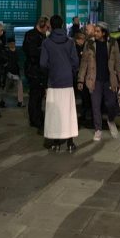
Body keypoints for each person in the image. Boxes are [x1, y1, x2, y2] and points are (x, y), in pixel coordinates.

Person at [77, 22, 120, 141]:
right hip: (94, 80)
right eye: (95, 31)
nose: (95, 33)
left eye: (98, 31)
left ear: (104, 33)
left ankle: (110, 120)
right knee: (95, 105)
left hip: (109, 80)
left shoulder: (113, 43)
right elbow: (84, 63)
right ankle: (98, 129)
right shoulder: (89, 43)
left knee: (111, 104)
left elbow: (118, 62)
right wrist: (81, 79)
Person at [40, 15, 79, 152]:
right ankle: (70, 143)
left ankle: (56, 143)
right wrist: (71, 72)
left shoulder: (46, 43)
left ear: (51, 25)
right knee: (68, 111)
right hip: (67, 80)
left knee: (54, 113)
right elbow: (75, 62)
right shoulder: (70, 42)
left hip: (53, 81)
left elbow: (43, 63)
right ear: (62, 24)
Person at [23, 16, 49, 132]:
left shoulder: (40, 36)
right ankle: (35, 119)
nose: (48, 29)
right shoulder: (32, 36)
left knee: (38, 96)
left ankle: (37, 117)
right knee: (35, 96)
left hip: (38, 70)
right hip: (34, 70)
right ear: (42, 26)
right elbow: (30, 52)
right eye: (47, 27)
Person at [0, 38, 24, 108]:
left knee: (17, 87)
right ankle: (3, 101)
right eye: (11, 43)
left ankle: (20, 101)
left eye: (13, 43)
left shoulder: (13, 52)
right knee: (7, 88)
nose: (12, 44)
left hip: (14, 72)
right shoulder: (7, 52)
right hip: (9, 72)